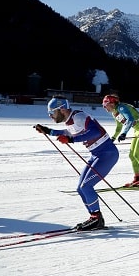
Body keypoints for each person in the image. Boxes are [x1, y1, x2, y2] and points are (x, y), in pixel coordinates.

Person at [34, 96, 119, 231]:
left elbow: (95, 131)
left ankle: (97, 219)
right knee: (80, 188)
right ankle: (94, 218)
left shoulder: (79, 117)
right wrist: (47, 130)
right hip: (96, 154)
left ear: (61, 109)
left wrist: (70, 140)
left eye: (52, 113)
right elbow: (67, 132)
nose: (51, 116)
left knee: (86, 186)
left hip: (107, 154)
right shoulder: (70, 121)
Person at [102, 94, 139, 187]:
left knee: (137, 154)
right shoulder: (115, 112)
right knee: (132, 155)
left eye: (106, 105)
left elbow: (130, 119)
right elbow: (119, 127)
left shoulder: (121, 108)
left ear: (112, 103)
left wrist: (124, 133)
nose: (105, 108)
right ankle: (137, 178)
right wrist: (113, 138)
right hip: (138, 131)